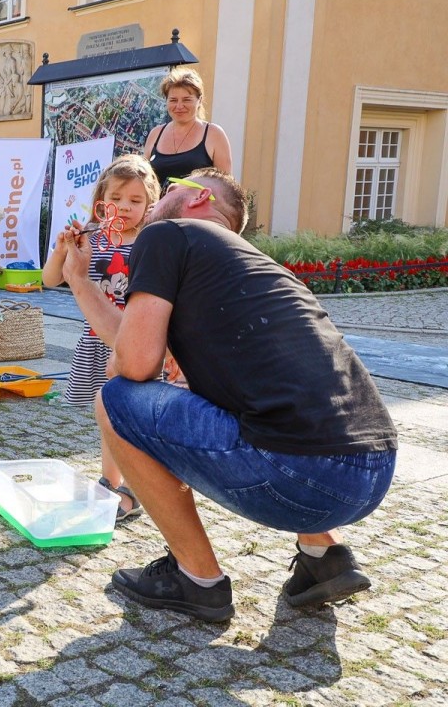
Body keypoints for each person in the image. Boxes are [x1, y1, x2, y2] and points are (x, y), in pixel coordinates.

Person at [58, 168, 397, 623]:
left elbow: (133, 366)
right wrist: (82, 282)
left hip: (298, 474)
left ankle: (197, 579)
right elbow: (134, 343)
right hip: (373, 470)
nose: (164, 193)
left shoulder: (168, 234)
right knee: (260, 403)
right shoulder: (247, 264)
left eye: (175, 184)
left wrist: (89, 294)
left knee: (115, 399)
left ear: (199, 202)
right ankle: (324, 556)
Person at [42, 155, 160, 520]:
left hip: (137, 346)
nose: (124, 207)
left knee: (131, 418)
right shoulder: (91, 237)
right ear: (100, 201)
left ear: (150, 204)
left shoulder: (154, 240)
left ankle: (132, 489)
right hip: (97, 341)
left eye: (135, 200)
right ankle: (111, 483)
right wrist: (63, 250)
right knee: (108, 415)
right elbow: (50, 280)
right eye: (117, 198)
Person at [142, 67, 233, 191]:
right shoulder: (155, 134)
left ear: (199, 100)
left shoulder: (214, 134)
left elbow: (226, 188)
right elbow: (145, 183)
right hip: (159, 210)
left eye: (187, 100)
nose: (179, 106)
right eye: (173, 100)